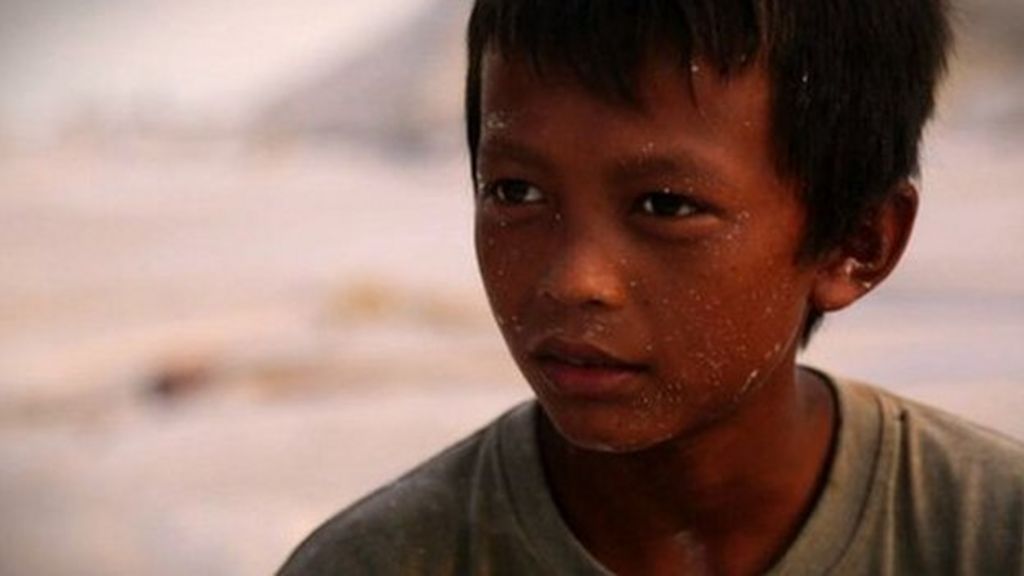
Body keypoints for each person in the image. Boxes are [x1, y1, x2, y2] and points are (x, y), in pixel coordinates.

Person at [279, 1, 1024, 574]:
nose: (574, 280)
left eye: (666, 206)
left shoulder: (989, 537)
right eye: (515, 192)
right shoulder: (378, 563)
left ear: (856, 245)